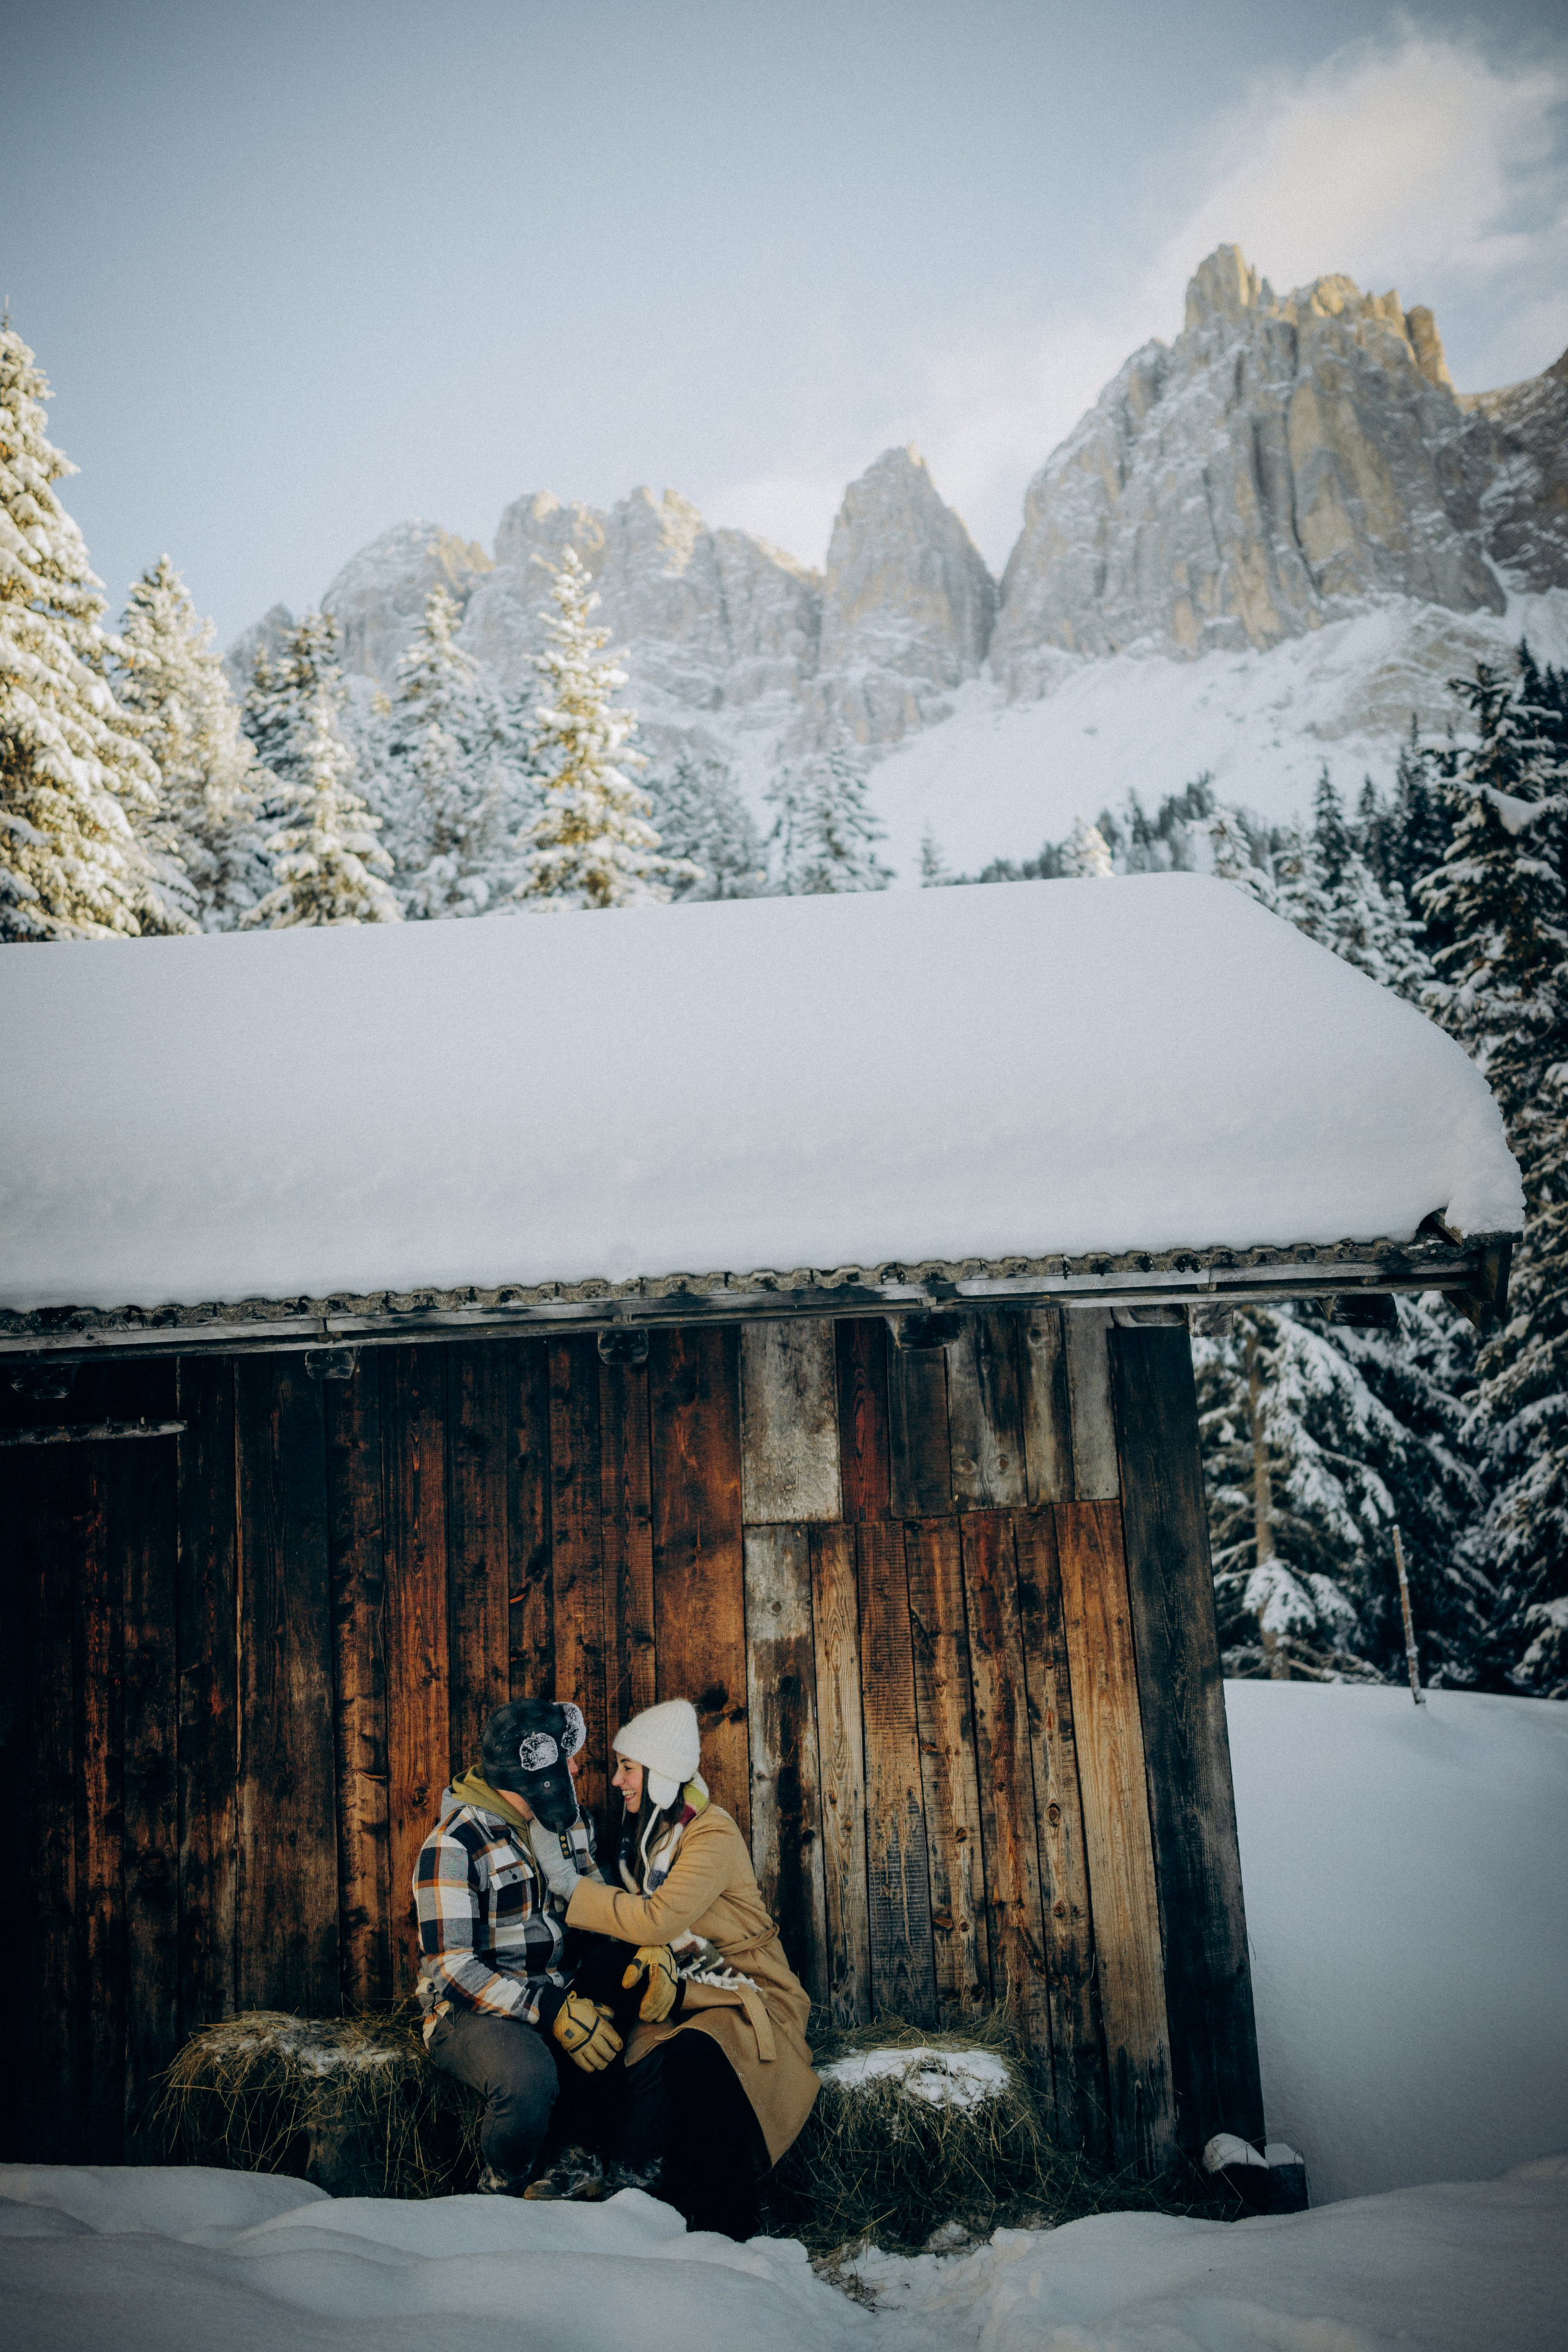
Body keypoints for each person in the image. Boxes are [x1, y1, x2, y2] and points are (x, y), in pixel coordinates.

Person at [531, 1697, 820, 2240]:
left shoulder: (712, 1834)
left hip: (740, 1986)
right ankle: (583, 2155)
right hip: (693, 1978)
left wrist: (569, 1886)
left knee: (695, 2057)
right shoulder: (654, 1836)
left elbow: (658, 1917)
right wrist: (654, 1951)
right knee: (599, 1973)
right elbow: (647, 1927)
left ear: (659, 1774)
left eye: (628, 1768)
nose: (616, 1781)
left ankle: (724, 2225)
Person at [413, 1695, 672, 2199]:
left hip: (559, 1984)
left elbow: (599, 1903)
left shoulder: (569, 1823)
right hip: (476, 2005)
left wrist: (647, 1943)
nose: (577, 1767)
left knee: (623, 1980)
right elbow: (451, 1966)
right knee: (527, 2080)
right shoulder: (454, 1844)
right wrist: (549, 2009)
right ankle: (504, 2184)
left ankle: (580, 2163)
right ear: (539, 1771)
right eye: (566, 1759)